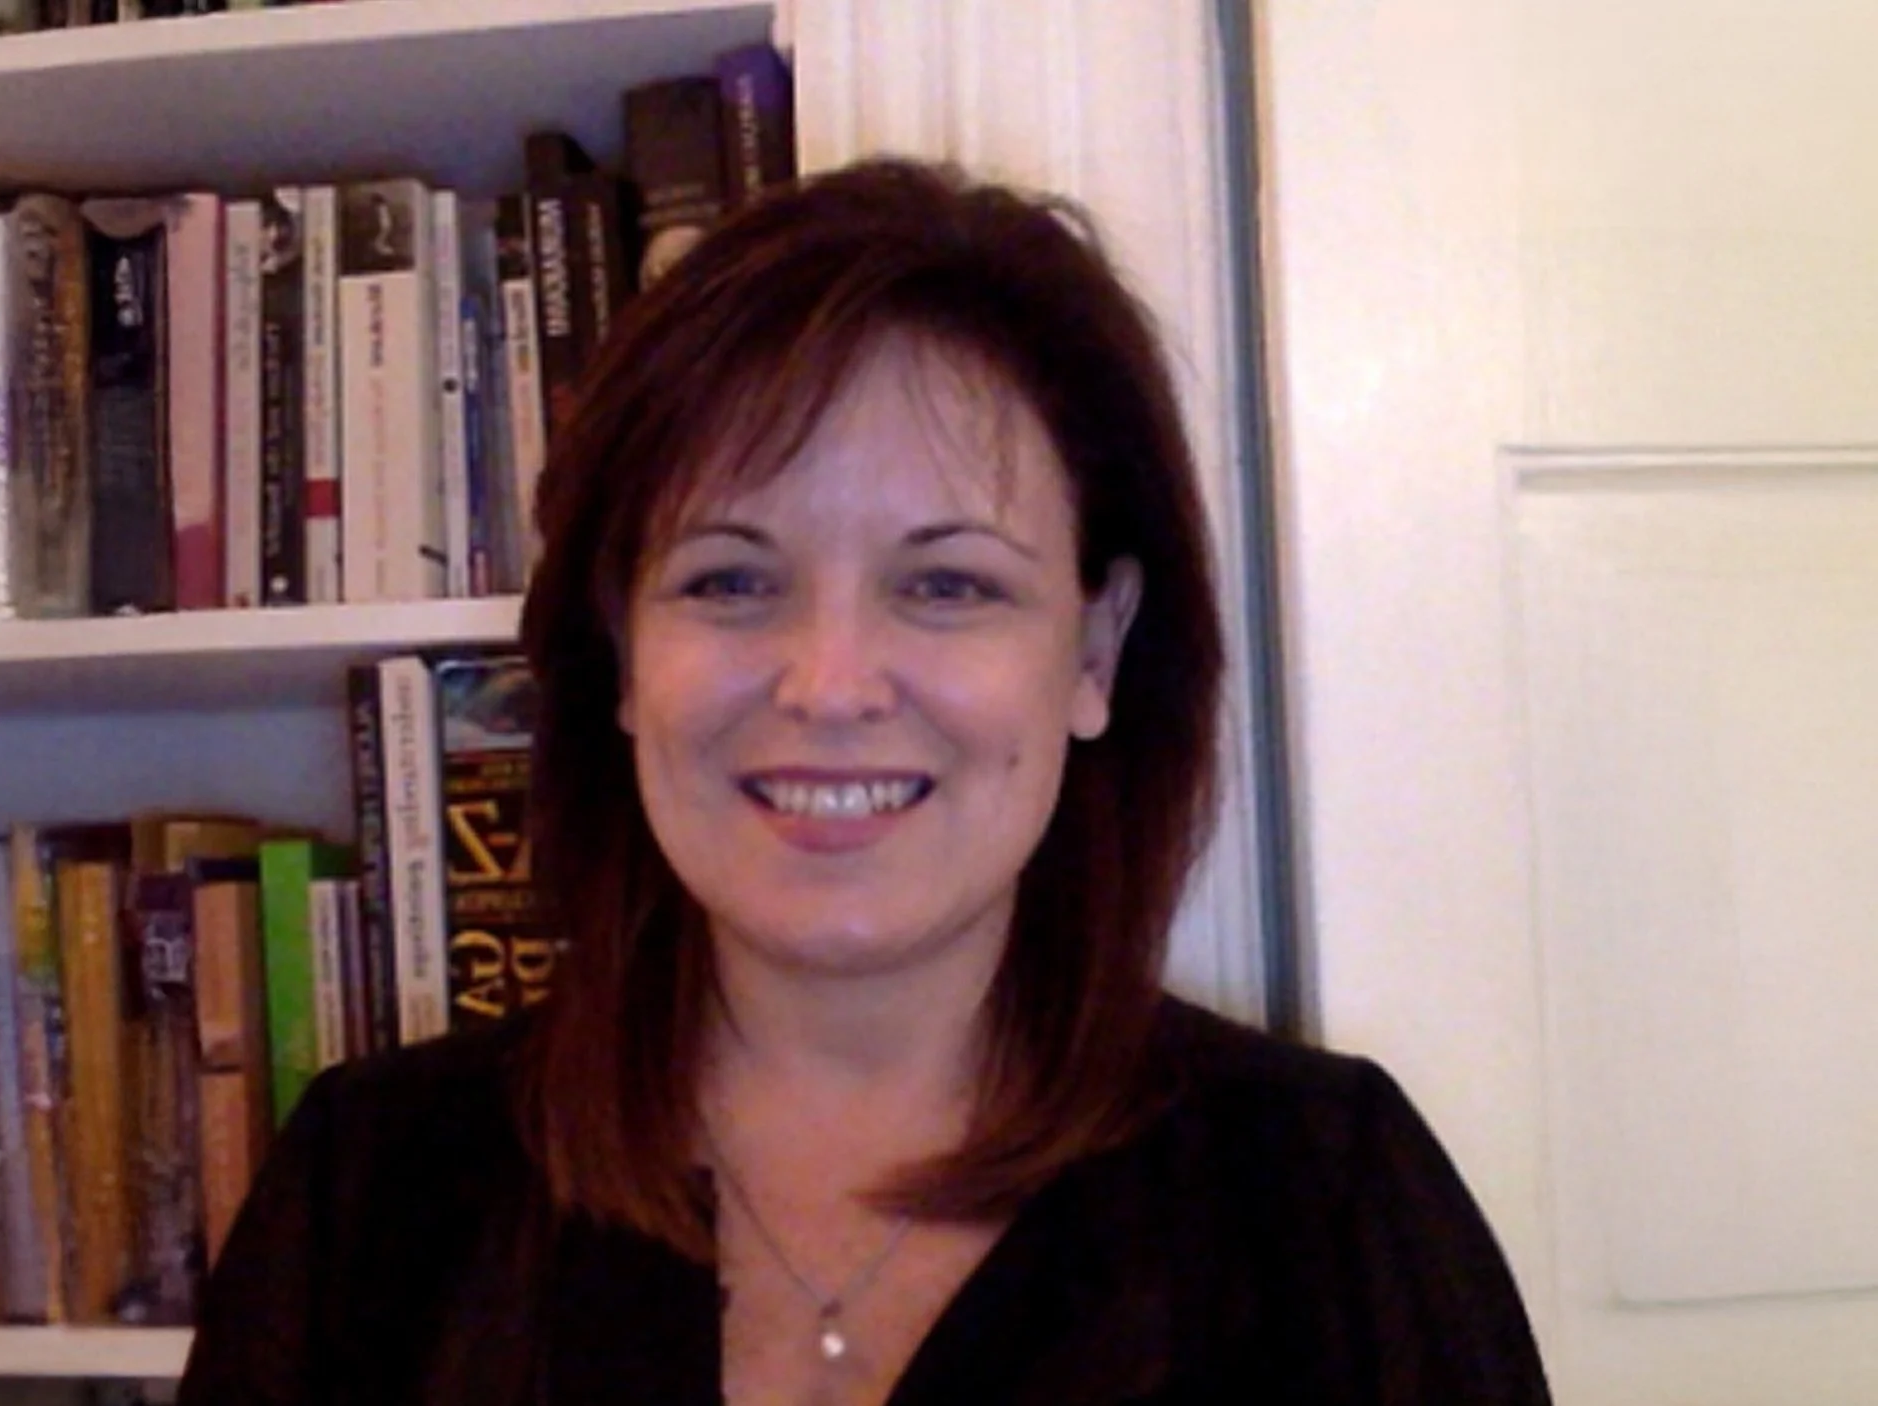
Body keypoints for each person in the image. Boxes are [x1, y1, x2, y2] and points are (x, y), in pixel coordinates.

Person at [178, 158, 1550, 1405]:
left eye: (947, 583)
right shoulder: (372, 1196)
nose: (830, 684)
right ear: (619, 651)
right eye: (730, 579)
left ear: (1097, 648)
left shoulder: (1331, 1207)